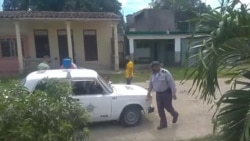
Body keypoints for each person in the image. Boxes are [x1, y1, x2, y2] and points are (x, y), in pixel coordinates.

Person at [146, 61, 179, 130]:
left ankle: (175, 114)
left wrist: (173, 93)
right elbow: (151, 84)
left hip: (166, 93)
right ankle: (163, 124)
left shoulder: (165, 73)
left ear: (158, 66)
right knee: (160, 109)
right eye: (152, 67)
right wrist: (149, 93)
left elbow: (171, 83)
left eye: (154, 66)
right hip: (158, 94)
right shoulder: (153, 74)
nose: (153, 68)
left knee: (168, 107)